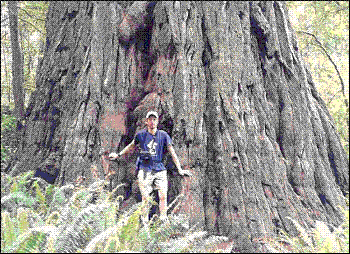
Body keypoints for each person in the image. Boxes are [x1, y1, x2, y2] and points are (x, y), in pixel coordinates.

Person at [109, 111, 192, 224]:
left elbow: (172, 152)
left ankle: (163, 219)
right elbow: (132, 145)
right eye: (150, 119)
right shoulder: (141, 135)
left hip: (160, 169)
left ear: (157, 121)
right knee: (146, 198)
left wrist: (180, 170)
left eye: (154, 119)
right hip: (145, 170)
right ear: (146, 121)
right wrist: (118, 155)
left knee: (163, 196)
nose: (152, 122)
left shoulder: (163, 135)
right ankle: (145, 222)